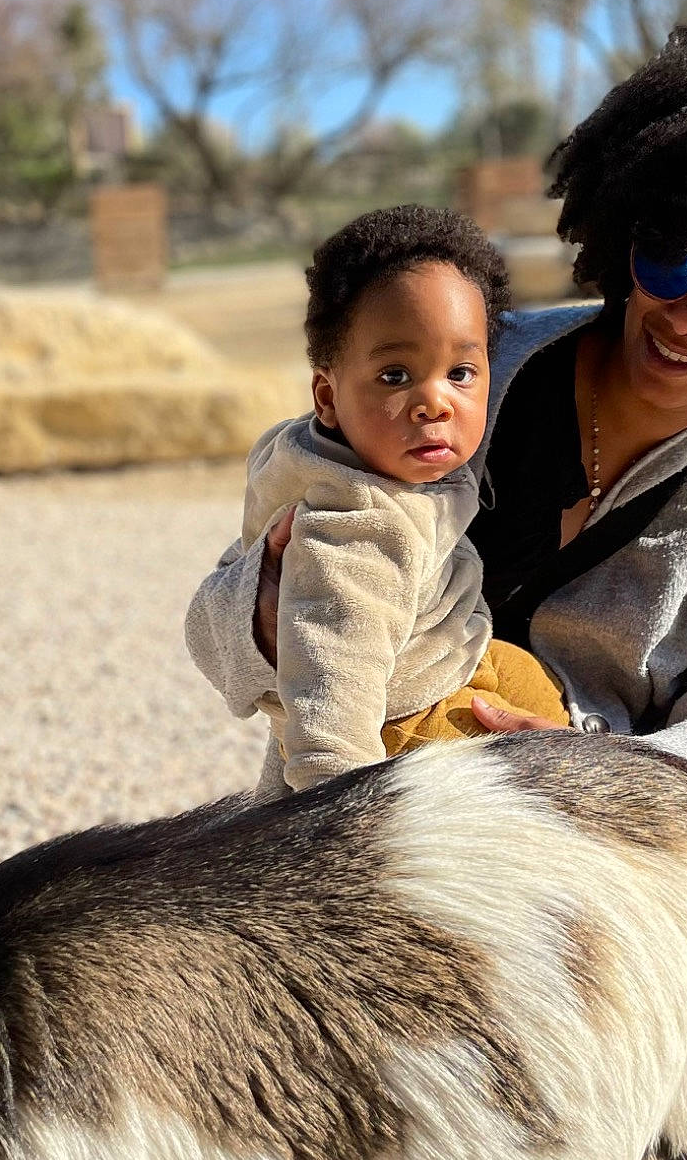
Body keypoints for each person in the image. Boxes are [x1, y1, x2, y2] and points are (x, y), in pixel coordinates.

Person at [185, 19, 687, 975]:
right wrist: (268, 615)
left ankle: (618, 1060)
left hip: (593, 808)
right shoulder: (464, 370)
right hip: (382, 776)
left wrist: (609, 774)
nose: (686, 314)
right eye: (673, 260)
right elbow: (222, 617)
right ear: (630, 225)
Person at [200, 206, 568, 799]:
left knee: (541, 696)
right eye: (396, 376)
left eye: (462, 372)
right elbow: (330, 697)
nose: (435, 402)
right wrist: (346, 816)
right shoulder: (355, 531)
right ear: (328, 395)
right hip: (401, 735)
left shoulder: (396, 473)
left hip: (449, 668)